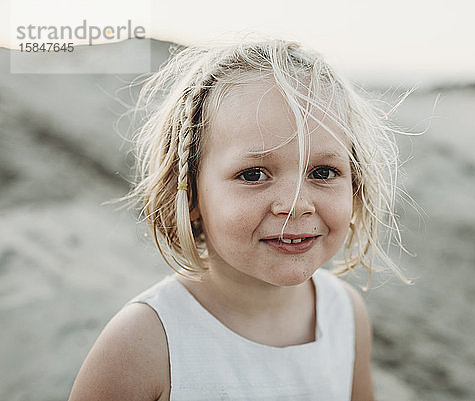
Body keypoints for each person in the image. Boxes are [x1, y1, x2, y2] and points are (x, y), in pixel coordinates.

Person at [68, 38, 412, 401]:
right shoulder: (145, 341)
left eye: (323, 172)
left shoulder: (344, 313)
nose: (296, 205)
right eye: (253, 175)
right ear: (190, 194)